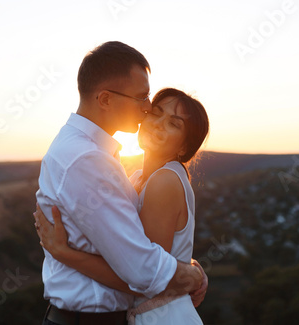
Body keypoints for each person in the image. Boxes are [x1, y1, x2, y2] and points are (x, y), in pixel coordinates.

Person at [34, 41, 206, 325]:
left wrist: (190, 270)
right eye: (142, 98)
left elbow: (144, 253)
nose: (148, 108)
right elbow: (140, 269)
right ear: (105, 99)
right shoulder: (87, 159)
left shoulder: (94, 154)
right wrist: (190, 276)